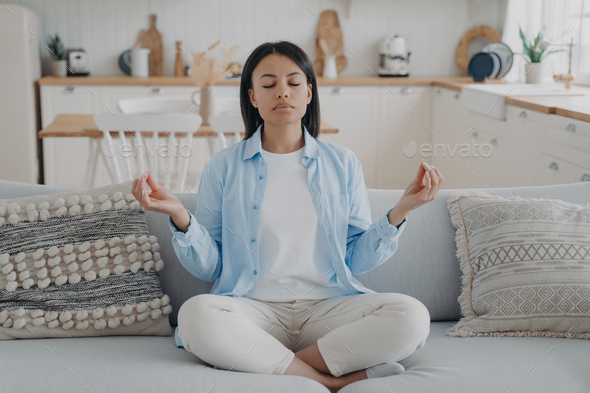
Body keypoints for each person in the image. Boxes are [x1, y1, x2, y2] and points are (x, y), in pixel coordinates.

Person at [131, 40, 444, 393]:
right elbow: (210, 268)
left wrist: (399, 213)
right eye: (268, 84)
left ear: (309, 93)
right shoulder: (223, 166)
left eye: (294, 83)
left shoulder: (342, 163)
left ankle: (267, 361)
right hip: (253, 310)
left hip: (328, 309)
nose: (283, 92)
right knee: (195, 316)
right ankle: (331, 381)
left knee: (412, 316)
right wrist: (180, 218)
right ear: (252, 96)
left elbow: (356, 258)